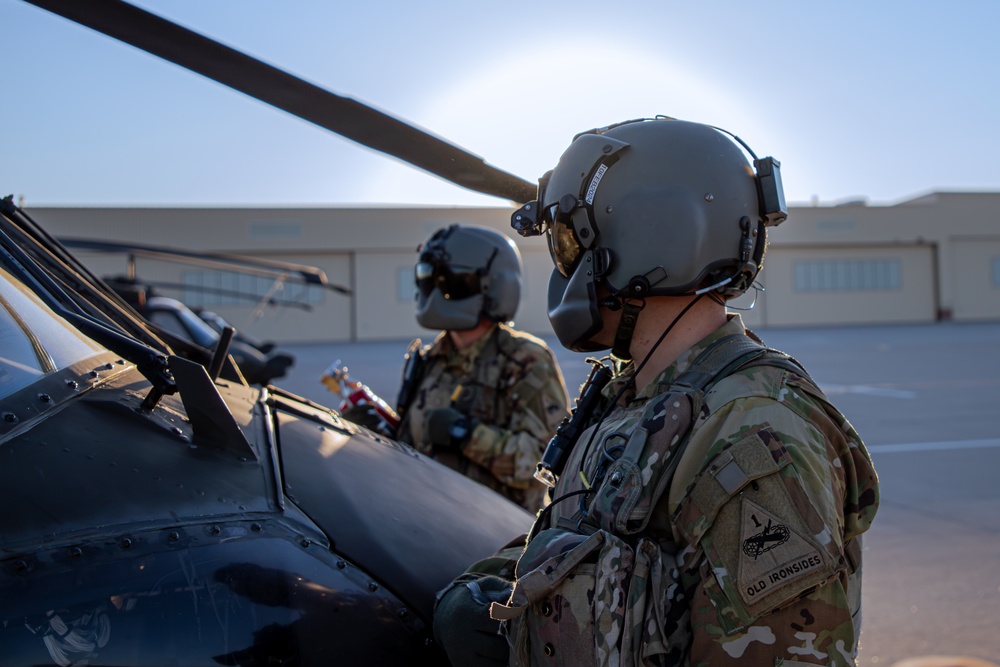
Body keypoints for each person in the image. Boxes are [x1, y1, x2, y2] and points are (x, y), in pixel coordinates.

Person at [434, 117, 880, 666]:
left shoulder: (753, 433)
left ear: (648, 238)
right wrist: (489, 591)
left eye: (573, 240)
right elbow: (584, 537)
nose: (566, 266)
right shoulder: (633, 398)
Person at [347, 223, 570, 513]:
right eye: (426, 279)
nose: (430, 289)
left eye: (444, 280)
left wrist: (465, 434)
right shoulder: (430, 358)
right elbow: (415, 446)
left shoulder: (524, 359)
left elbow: (545, 466)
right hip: (427, 518)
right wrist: (373, 434)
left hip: (495, 535)